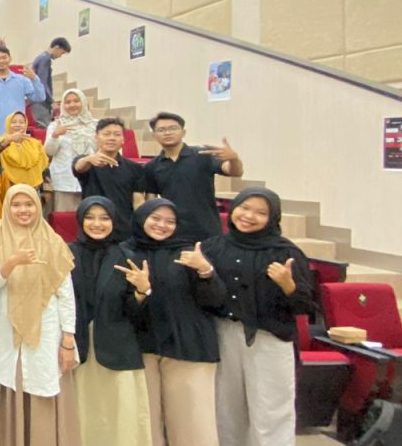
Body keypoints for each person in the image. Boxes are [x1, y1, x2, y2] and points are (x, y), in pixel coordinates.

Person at [203, 188, 316, 446]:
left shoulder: (286, 252)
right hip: (224, 336)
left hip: (269, 340)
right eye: (244, 208)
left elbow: (306, 306)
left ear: (273, 217)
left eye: (260, 212)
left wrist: (289, 286)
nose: (249, 216)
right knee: (226, 412)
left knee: (271, 412)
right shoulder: (213, 247)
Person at [0, 185, 81, 446]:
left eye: (29, 204)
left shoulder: (52, 240)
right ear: (7, 206)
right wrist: (11, 262)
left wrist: (68, 339)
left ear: (38, 206)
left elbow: (65, 294)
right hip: (7, 328)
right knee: (11, 382)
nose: (23, 210)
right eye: (16, 205)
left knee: (41, 383)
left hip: (45, 328)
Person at [123, 200, 226, 446]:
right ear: (142, 218)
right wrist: (140, 292)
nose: (162, 225)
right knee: (145, 425)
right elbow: (118, 304)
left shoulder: (190, 253)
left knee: (193, 427)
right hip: (141, 348)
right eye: (155, 218)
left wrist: (206, 272)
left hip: (188, 347)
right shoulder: (125, 252)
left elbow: (216, 301)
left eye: (170, 221)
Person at [70, 197, 153, 446]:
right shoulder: (66, 253)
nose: (97, 224)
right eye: (90, 217)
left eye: (104, 218)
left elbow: (137, 315)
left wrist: (143, 291)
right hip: (78, 347)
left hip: (117, 347)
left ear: (114, 221)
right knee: (82, 415)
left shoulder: (127, 257)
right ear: (80, 220)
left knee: (121, 419)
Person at [144, 112, 244, 242]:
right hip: (172, 233)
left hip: (207, 230)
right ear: (154, 135)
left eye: (173, 128)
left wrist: (234, 159)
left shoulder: (203, 154)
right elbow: (151, 202)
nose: (167, 133)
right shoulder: (152, 166)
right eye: (161, 130)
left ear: (183, 132)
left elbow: (234, 172)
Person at [74, 118, 146, 241]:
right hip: (94, 229)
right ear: (96, 137)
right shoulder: (88, 163)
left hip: (124, 231)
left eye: (117, 134)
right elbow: (78, 167)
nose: (112, 138)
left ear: (123, 139)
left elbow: (138, 202)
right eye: (106, 134)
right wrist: (89, 159)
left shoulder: (134, 168)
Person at [45, 89, 98, 213]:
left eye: (76, 101)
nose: (72, 105)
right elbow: (49, 152)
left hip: (90, 179)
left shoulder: (95, 125)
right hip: (64, 180)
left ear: (83, 102)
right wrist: (55, 135)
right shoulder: (55, 125)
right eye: (68, 102)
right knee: (64, 220)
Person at [0, 46, 47, 138]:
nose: (1, 61)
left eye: (4, 57)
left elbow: (40, 97)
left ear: (10, 58)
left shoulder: (22, 80)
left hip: (18, 133)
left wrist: (34, 78)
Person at [0, 112, 49, 189]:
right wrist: (8, 140)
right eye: (13, 122)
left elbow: (44, 167)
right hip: (8, 188)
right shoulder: (0, 142)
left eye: (21, 122)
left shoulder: (35, 144)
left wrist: (47, 189)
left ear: (26, 124)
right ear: (7, 124)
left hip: (33, 189)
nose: (18, 125)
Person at [30, 37, 72, 126]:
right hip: (41, 102)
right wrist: (51, 101)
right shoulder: (45, 59)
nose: (60, 56)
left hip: (38, 100)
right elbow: (42, 83)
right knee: (44, 127)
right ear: (57, 47)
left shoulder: (41, 57)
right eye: (62, 53)